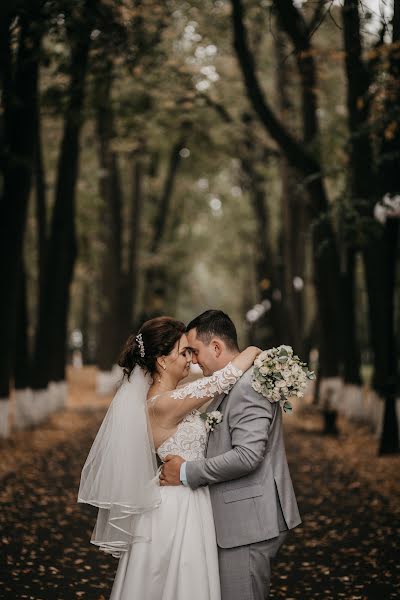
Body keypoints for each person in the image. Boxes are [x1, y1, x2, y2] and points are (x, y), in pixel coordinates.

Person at [78, 316, 260, 600]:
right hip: (177, 508)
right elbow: (221, 381)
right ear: (162, 361)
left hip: (187, 496)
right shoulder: (162, 404)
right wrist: (251, 352)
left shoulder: (171, 398)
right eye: (184, 352)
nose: (191, 360)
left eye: (191, 351)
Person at [161, 309, 301, 600]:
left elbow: (248, 456)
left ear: (216, 347)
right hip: (240, 520)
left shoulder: (248, 386)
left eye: (196, 351)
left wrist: (186, 472)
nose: (194, 360)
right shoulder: (233, 384)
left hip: (247, 525)